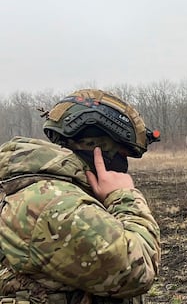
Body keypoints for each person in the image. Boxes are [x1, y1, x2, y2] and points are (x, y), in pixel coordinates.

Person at [0, 89, 161, 304]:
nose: (123, 166)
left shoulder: (38, 188)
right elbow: (136, 271)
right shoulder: (56, 203)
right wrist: (124, 196)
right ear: (97, 149)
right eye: (122, 155)